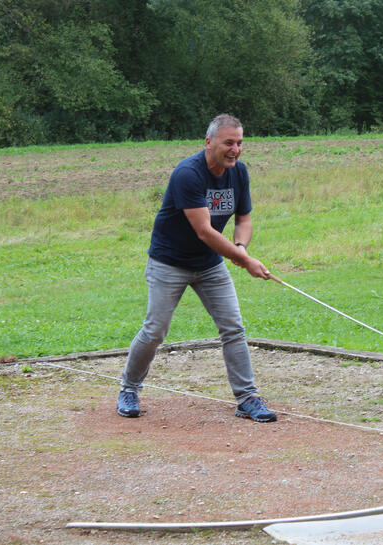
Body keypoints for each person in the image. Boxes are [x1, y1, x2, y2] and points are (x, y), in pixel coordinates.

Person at [116, 114, 277, 423]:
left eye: (240, 143)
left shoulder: (239, 173)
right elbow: (204, 230)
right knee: (155, 330)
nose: (235, 149)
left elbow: (243, 219)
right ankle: (129, 389)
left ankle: (247, 398)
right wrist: (245, 262)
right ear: (209, 142)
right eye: (228, 142)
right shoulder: (187, 174)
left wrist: (240, 249)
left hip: (209, 264)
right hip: (169, 263)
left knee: (233, 327)